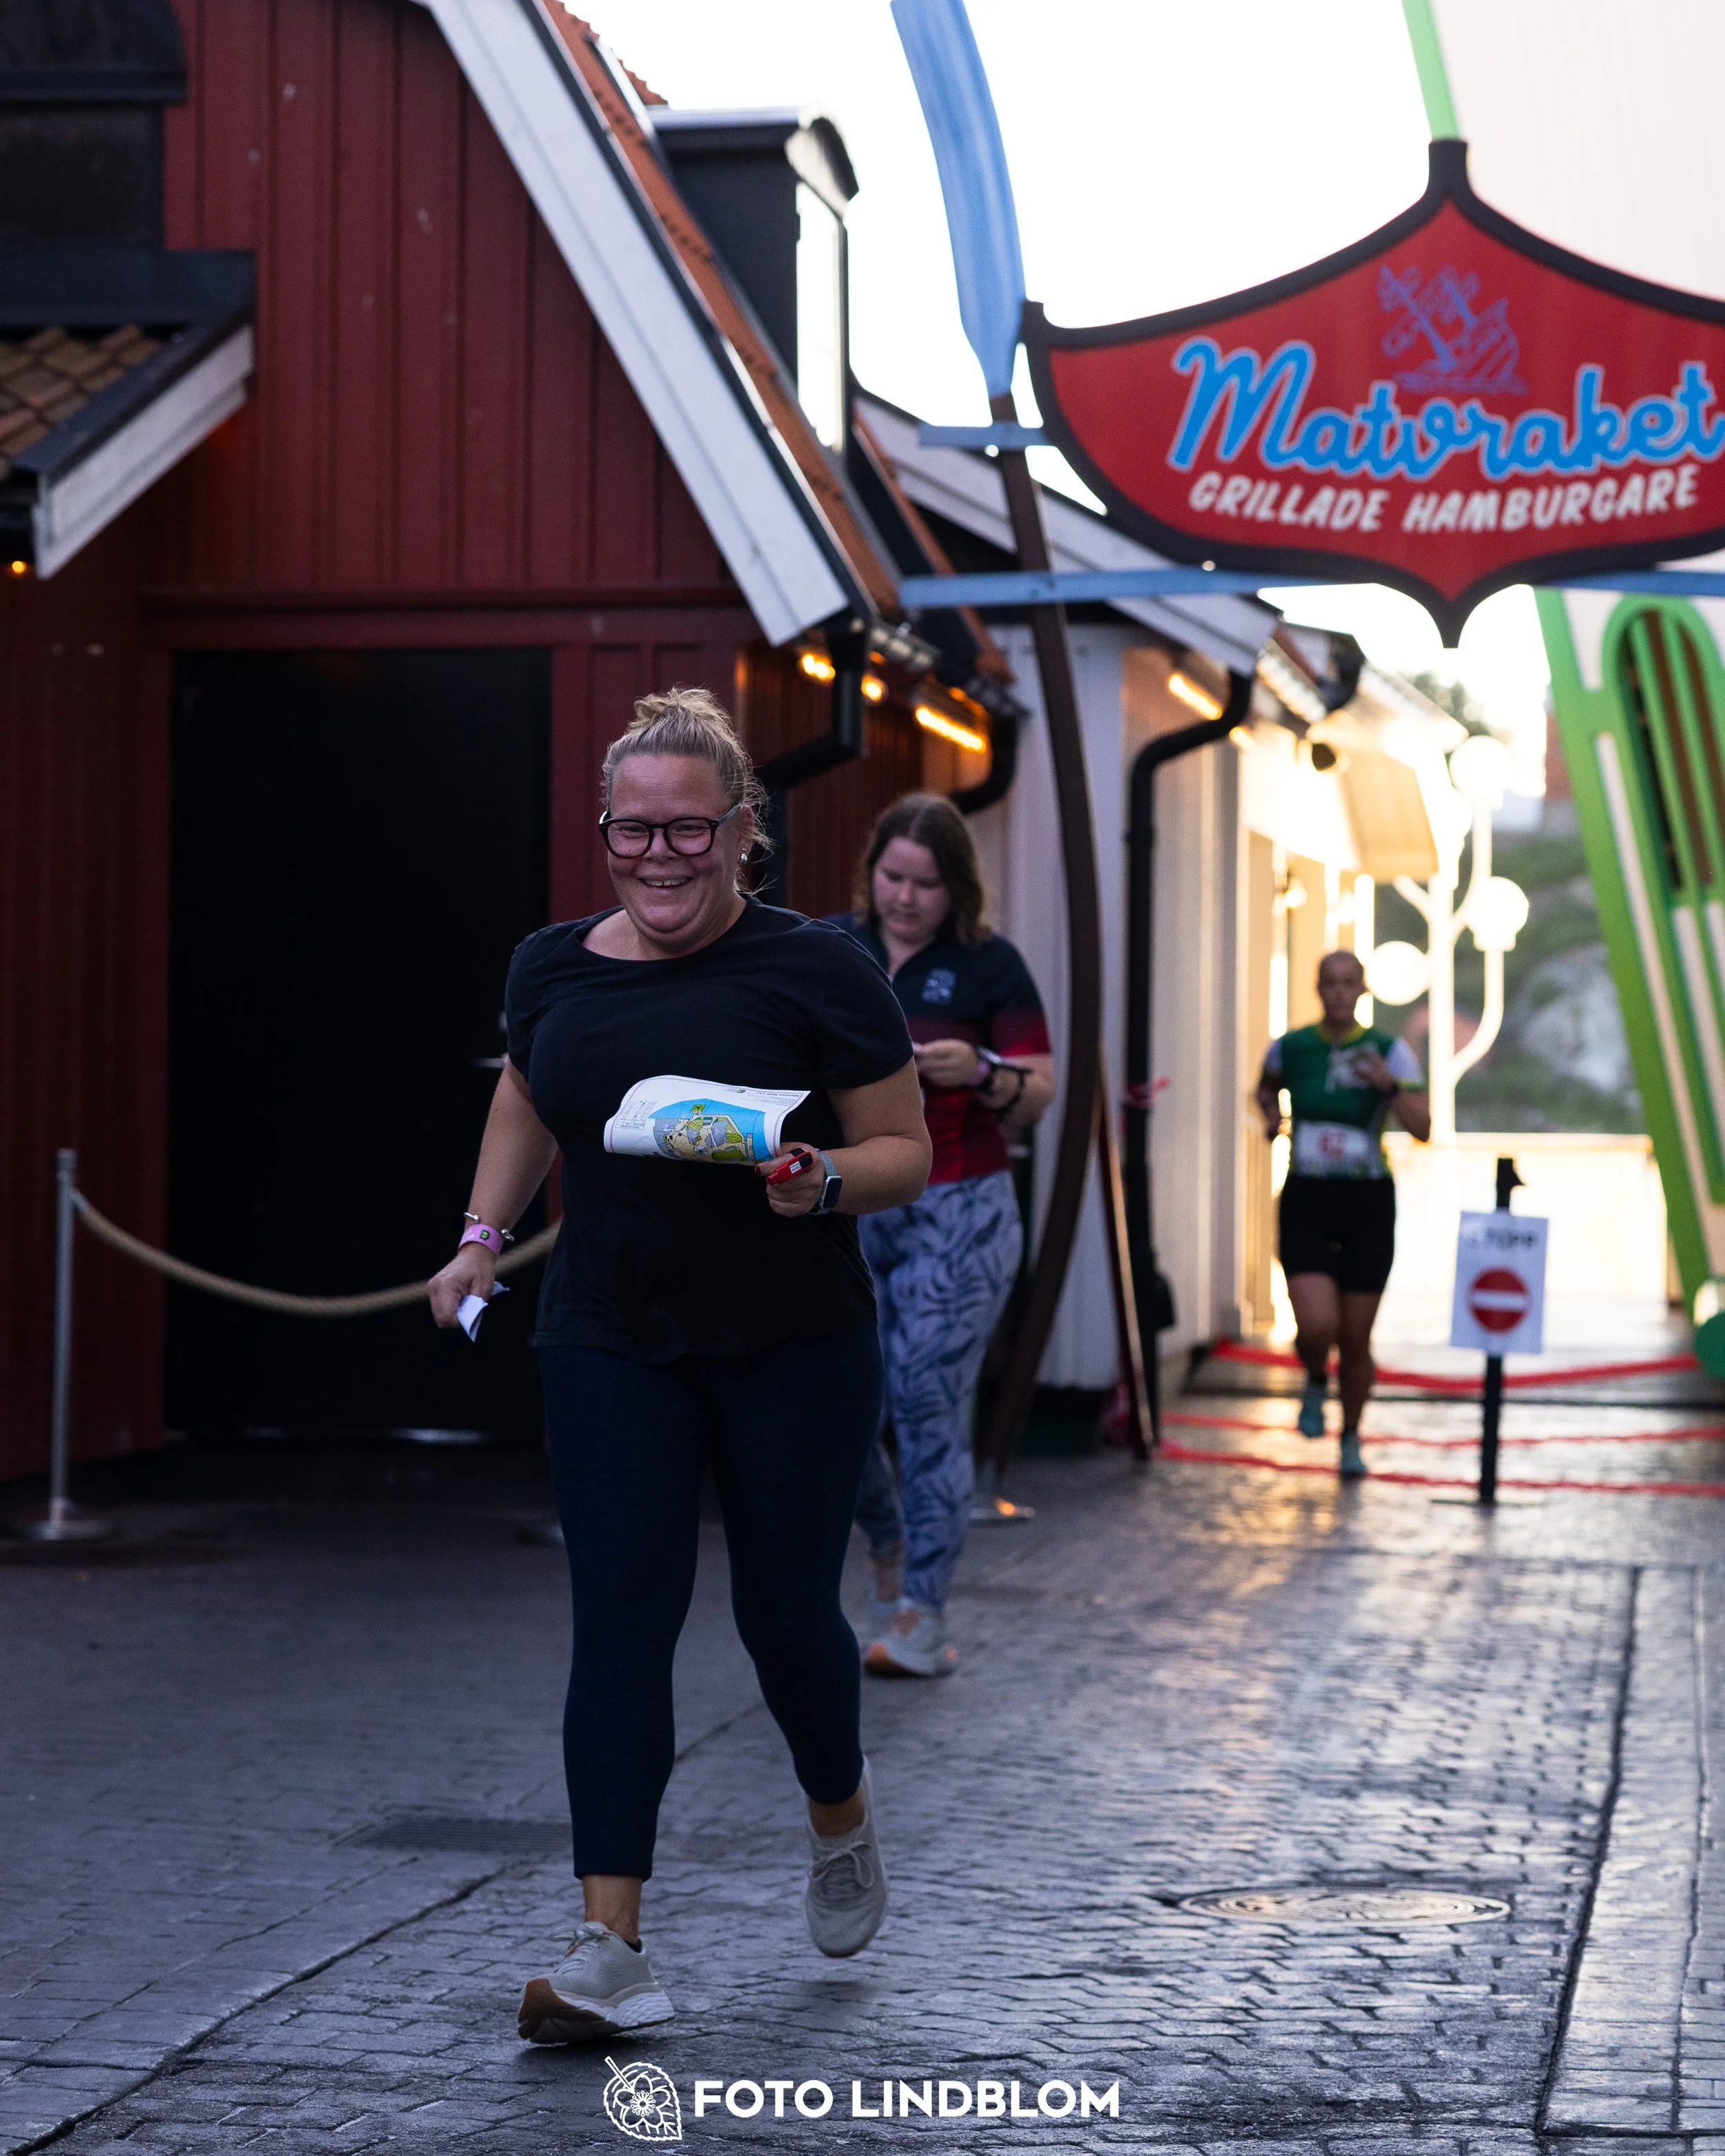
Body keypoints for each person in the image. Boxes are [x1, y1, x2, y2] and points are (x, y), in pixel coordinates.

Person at [429, 687, 931, 2044]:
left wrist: (823, 1174)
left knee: (784, 1617)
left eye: (686, 828)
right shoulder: (550, 966)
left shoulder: (820, 968)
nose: (658, 854)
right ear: (606, 829)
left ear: (740, 833)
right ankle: (610, 1943)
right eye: (631, 829)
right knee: (622, 1618)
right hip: (607, 1334)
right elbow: (527, 1091)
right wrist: (482, 1235)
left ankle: (839, 1813)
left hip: (792, 1343)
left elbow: (905, 1146)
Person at [831, 795, 1053, 1678]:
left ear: (956, 888)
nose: (905, 897)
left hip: (959, 1207)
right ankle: (885, 1552)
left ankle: (923, 1611)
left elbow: (1040, 1087)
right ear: (870, 871)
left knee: (924, 1401)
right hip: (848, 1204)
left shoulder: (990, 964)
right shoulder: (833, 948)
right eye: (892, 876)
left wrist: (985, 1069)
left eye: (925, 883)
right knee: (840, 1405)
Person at [1255, 948, 1431, 1478]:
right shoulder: (1292, 1047)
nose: (1337, 992)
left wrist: (1389, 1087)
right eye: (1328, 981)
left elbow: (1424, 1126)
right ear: (1316, 987)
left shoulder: (1389, 1051)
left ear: (1362, 990)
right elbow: (1264, 1089)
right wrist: (1272, 1118)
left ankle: (1351, 1436)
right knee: (1315, 1323)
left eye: (1348, 982)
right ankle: (1313, 1376)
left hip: (1367, 1200)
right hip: (1308, 1193)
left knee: (1355, 1336)